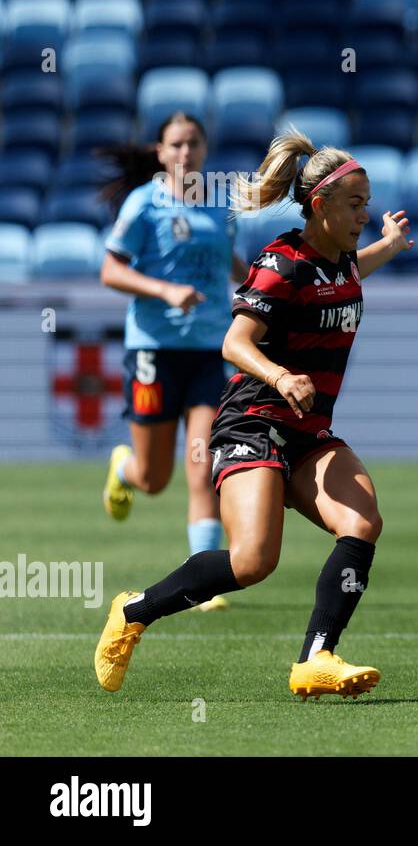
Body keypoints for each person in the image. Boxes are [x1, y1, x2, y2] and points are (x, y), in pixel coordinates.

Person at [94, 128, 413, 698]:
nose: (367, 213)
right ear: (320, 205)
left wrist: (387, 245)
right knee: (252, 561)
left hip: (308, 431)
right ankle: (135, 610)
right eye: (357, 204)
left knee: (362, 523)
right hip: (254, 421)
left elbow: (347, 277)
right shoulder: (282, 261)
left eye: (368, 204)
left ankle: (316, 659)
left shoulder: (340, 263)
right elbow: (235, 343)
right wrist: (281, 375)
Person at [99, 113, 247, 611]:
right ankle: (124, 468)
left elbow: (231, 263)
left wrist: (264, 287)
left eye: (194, 144)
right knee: (154, 478)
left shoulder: (219, 207)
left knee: (203, 465)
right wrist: (164, 289)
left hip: (209, 351)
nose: (186, 154)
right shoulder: (144, 204)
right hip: (153, 352)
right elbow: (110, 270)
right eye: (177, 145)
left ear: (205, 150)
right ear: (161, 153)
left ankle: (203, 580)